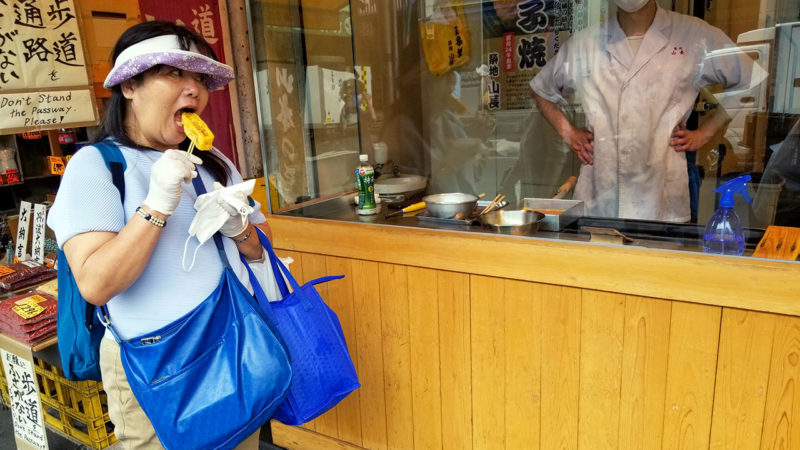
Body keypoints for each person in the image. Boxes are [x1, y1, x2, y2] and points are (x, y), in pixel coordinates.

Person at [47, 21, 269, 449]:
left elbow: (261, 253)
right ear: (130, 85)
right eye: (174, 73)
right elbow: (95, 283)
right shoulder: (97, 166)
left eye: (200, 78)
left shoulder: (214, 162)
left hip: (234, 341)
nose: (194, 90)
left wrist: (240, 229)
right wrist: (157, 205)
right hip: (155, 362)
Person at [530, 0, 758, 221]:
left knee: (657, 256)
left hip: (661, 192)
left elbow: (751, 80)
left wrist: (705, 132)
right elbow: (541, 89)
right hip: (601, 189)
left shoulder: (693, 34)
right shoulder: (585, 42)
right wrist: (570, 134)